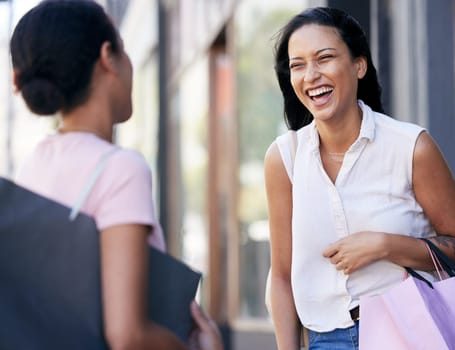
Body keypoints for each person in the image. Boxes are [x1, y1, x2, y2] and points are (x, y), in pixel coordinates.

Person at [10, 1, 223, 350]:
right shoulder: (121, 168)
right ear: (108, 57)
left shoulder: (35, 161)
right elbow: (126, 335)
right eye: (124, 50)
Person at [264, 6, 455, 350]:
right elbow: (280, 275)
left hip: (408, 331)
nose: (311, 75)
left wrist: (386, 246)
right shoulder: (284, 159)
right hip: (325, 340)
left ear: (359, 65)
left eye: (324, 58)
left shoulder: (410, 148)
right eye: (298, 65)